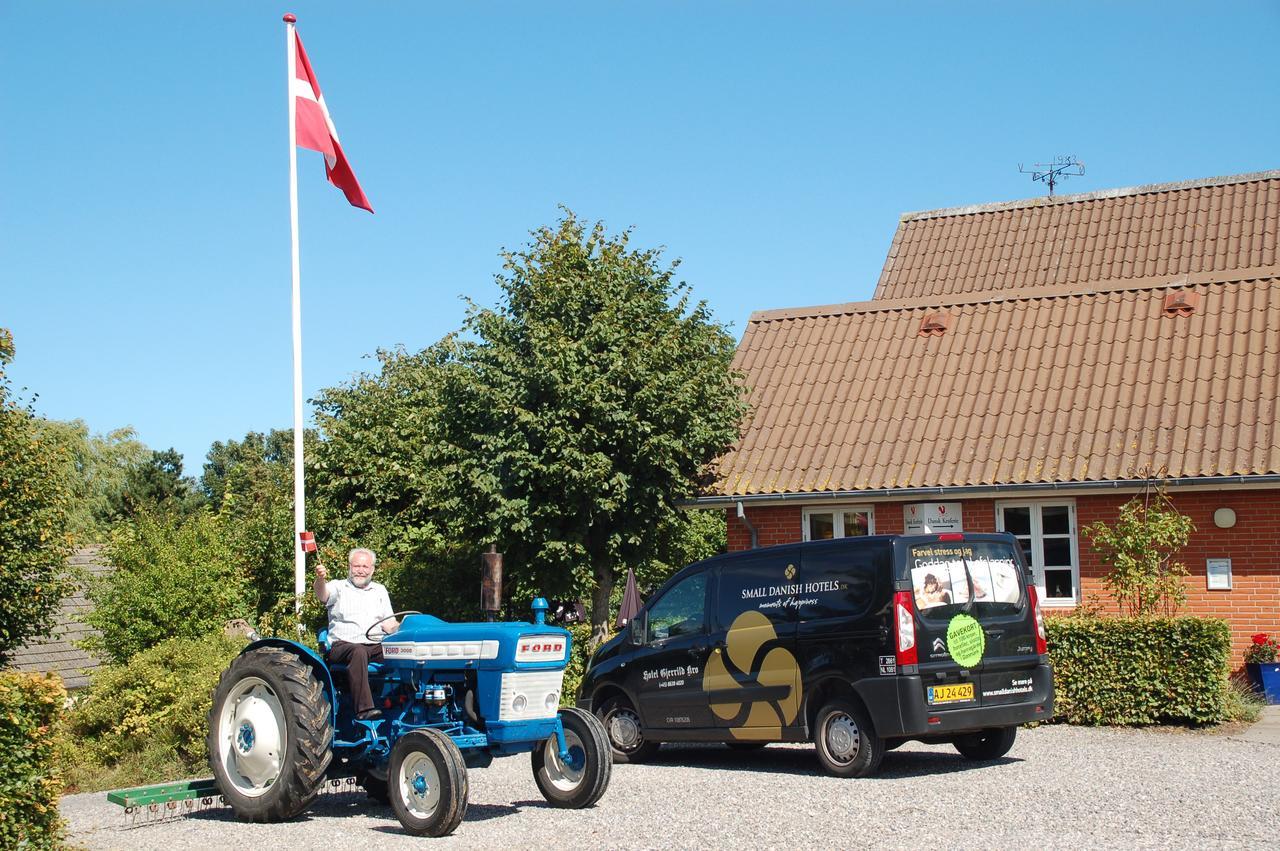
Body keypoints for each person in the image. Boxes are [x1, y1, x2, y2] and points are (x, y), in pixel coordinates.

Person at [314, 548, 399, 720]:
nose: (361, 570)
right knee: (358, 651)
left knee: (403, 652)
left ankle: (406, 703)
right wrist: (320, 579)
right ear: (350, 567)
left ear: (372, 569)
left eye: (365, 566)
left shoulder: (380, 590)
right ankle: (364, 710)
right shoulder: (338, 586)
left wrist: (404, 630)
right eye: (357, 566)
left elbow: (389, 624)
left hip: (375, 645)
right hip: (342, 646)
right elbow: (322, 595)